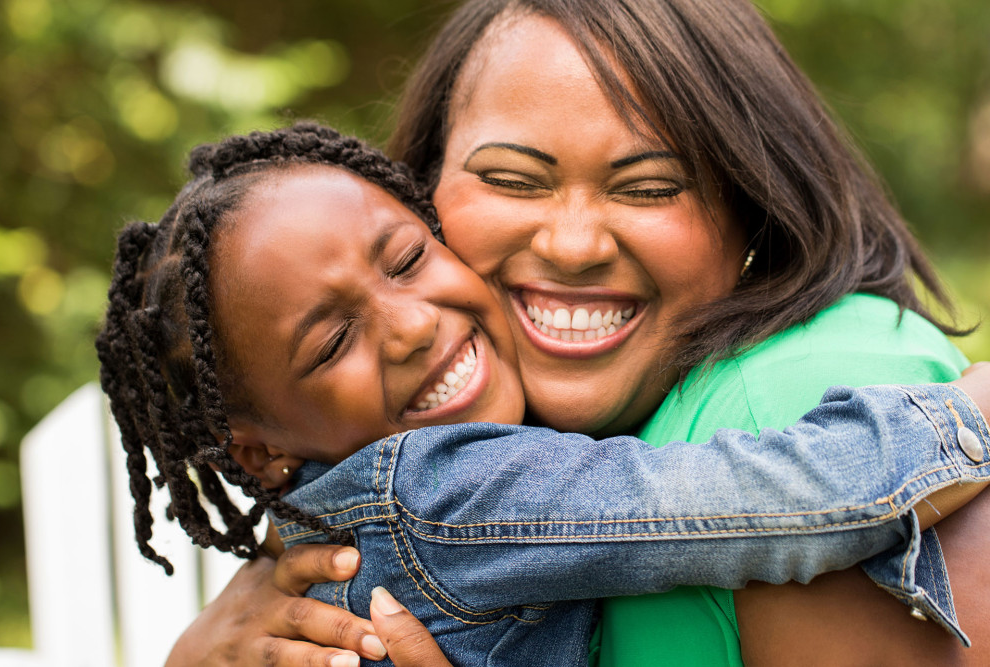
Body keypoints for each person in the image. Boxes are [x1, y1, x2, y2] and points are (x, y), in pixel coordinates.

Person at [167, 1, 990, 665]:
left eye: (649, 186)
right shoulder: (418, 492)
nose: (573, 243)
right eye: (510, 178)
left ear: (754, 200)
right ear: (421, 187)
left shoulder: (783, 393)